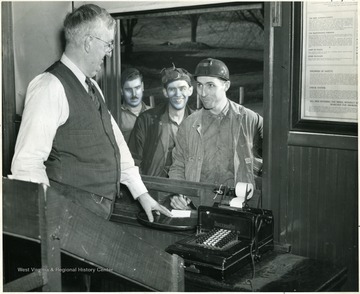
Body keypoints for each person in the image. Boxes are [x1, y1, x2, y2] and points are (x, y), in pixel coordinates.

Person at [9, 4, 171, 222]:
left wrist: (142, 194)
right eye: (108, 44)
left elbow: (117, 146)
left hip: (99, 214)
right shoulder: (49, 86)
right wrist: (50, 219)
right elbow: (27, 165)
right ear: (88, 43)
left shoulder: (93, 88)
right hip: (68, 217)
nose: (109, 52)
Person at [168, 58, 263, 209]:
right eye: (199, 85)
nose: (203, 93)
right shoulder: (188, 125)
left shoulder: (249, 119)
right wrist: (177, 194)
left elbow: (273, 160)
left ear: (226, 86)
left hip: (239, 208)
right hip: (198, 207)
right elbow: (178, 166)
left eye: (210, 85)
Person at [128, 65, 195, 177]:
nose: (178, 94)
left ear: (190, 90)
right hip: (156, 188)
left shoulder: (197, 122)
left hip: (186, 188)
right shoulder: (147, 120)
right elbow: (133, 161)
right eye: (172, 89)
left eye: (182, 88)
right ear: (165, 92)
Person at [118, 68, 151, 142]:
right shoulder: (116, 115)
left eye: (137, 88)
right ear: (121, 91)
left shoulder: (153, 113)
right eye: (129, 90)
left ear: (142, 86)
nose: (134, 94)